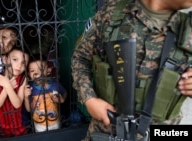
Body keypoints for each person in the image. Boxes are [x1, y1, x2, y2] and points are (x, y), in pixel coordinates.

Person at [71, 0, 192, 140]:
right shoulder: (112, 13)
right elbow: (80, 57)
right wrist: (89, 99)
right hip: (106, 131)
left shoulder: (188, 28)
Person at [0, 46, 30, 137]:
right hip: (1, 125)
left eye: (23, 63)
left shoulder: (23, 79)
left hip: (20, 123)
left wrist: (7, 85)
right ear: (4, 59)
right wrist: (6, 89)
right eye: (15, 59)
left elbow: (17, 104)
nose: (19, 65)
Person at [24, 55, 67, 133]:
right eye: (32, 71)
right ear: (29, 74)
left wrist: (61, 99)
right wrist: (26, 97)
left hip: (55, 121)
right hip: (39, 124)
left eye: (40, 69)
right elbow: (29, 109)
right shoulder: (30, 89)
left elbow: (64, 92)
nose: (36, 72)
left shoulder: (55, 84)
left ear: (48, 70)